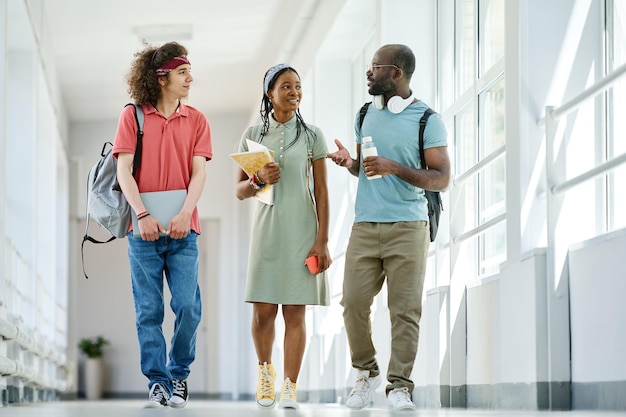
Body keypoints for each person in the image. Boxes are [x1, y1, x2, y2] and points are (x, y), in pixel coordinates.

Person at [328, 44, 450, 411]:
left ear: (395, 73)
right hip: (365, 225)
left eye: (375, 67)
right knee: (352, 303)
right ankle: (366, 372)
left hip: (408, 227)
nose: (369, 72)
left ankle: (400, 387)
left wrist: (395, 167)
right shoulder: (365, 113)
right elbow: (363, 168)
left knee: (405, 310)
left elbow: (441, 178)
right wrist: (351, 162)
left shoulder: (428, 120)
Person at [113, 41, 212, 409]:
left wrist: (186, 213)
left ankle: (178, 375)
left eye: (189, 71)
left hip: (185, 230)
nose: (190, 78)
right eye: (183, 72)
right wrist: (141, 214)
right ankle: (157, 382)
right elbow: (124, 168)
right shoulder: (133, 116)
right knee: (149, 311)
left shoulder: (198, 119)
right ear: (162, 76)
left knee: (188, 307)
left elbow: (199, 172)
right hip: (143, 233)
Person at [235, 63, 331, 410]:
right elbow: (240, 191)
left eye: (298, 87)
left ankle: (290, 386)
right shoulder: (253, 134)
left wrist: (322, 240)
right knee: (263, 312)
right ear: (270, 93)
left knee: (295, 311)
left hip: (303, 230)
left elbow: (321, 190)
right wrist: (260, 178)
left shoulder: (312, 135)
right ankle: (265, 374)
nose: (294, 93)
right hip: (268, 232)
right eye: (286, 87)